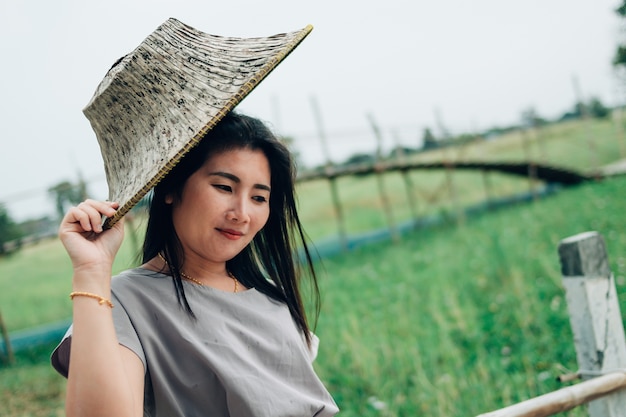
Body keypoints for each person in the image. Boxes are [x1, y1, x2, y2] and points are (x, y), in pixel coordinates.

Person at [51, 111, 339, 416]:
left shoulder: (272, 296)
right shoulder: (123, 301)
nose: (241, 213)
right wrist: (90, 272)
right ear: (173, 188)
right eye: (224, 188)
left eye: (258, 198)